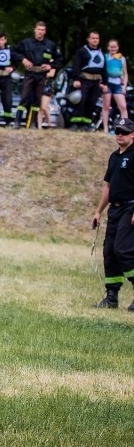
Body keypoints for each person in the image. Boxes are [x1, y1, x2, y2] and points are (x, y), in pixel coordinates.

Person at [92, 117, 134, 310]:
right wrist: (99, 211)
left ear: (132, 134)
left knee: (123, 250)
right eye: (117, 131)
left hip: (130, 208)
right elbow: (108, 186)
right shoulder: (114, 157)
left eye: (124, 132)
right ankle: (112, 297)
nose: (119, 135)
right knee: (109, 252)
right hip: (115, 210)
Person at [13, 21, 62, 129]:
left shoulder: (50, 45)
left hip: (41, 75)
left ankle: (33, 123)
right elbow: (14, 52)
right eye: (38, 29)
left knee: (37, 99)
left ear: (45, 31)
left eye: (42, 30)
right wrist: (23, 59)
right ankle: (17, 122)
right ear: (35, 30)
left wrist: (51, 65)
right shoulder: (26, 42)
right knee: (24, 97)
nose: (40, 32)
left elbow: (59, 58)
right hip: (30, 73)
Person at [69, 31, 107, 132]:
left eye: (97, 38)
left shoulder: (101, 52)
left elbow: (104, 69)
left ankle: (86, 124)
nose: (95, 40)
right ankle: (75, 123)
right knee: (81, 101)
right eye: (93, 38)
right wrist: (76, 79)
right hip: (84, 80)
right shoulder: (82, 51)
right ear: (89, 39)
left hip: (96, 82)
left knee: (92, 103)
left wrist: (104, 83)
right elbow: (76, 66)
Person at [102, 39, 129, 134]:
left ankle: (125, 128)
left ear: (117, 47)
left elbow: (125, 73)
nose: (113, 48)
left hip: (118, 84)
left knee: (123, 106)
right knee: (106, 106)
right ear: (108, 47)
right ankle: (105, 129)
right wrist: (102, 84)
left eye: (115, 47)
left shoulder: (121, 58)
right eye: (111, 47)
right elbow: (101, 72)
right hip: (107, 84)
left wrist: (124, 86)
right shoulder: (105, 57)